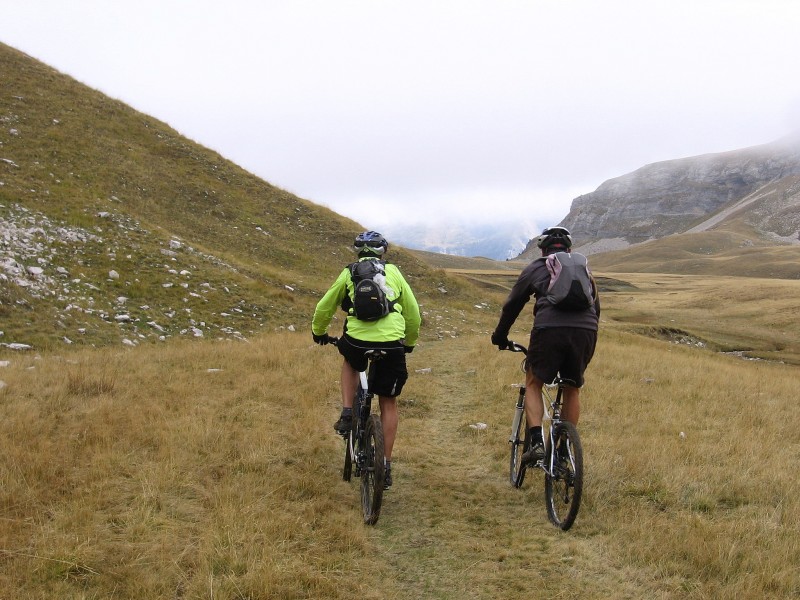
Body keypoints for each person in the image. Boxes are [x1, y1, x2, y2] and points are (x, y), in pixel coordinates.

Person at [312, 231, 421, 489]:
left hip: (358, 339)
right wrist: (409, 342)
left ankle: (348, 411)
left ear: (358, 251)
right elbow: (413, 311)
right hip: (392, 341)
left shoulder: (349, 271)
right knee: (388, 401)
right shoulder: (393, 272)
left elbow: (325, 306)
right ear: (383, 252)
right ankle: (386, 463)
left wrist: (319, 332)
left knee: (350, 361)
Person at [490, 226, 600, 466]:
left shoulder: (537, 267)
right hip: (586, 331)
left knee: (533, 382)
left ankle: (537, 443)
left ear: (542, 249)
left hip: (549, 330)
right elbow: (596, 308)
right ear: (569, 249)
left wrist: (500, 336)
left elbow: (513, 305)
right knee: (572, 388)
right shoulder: (585, 271)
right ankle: (563, 451)